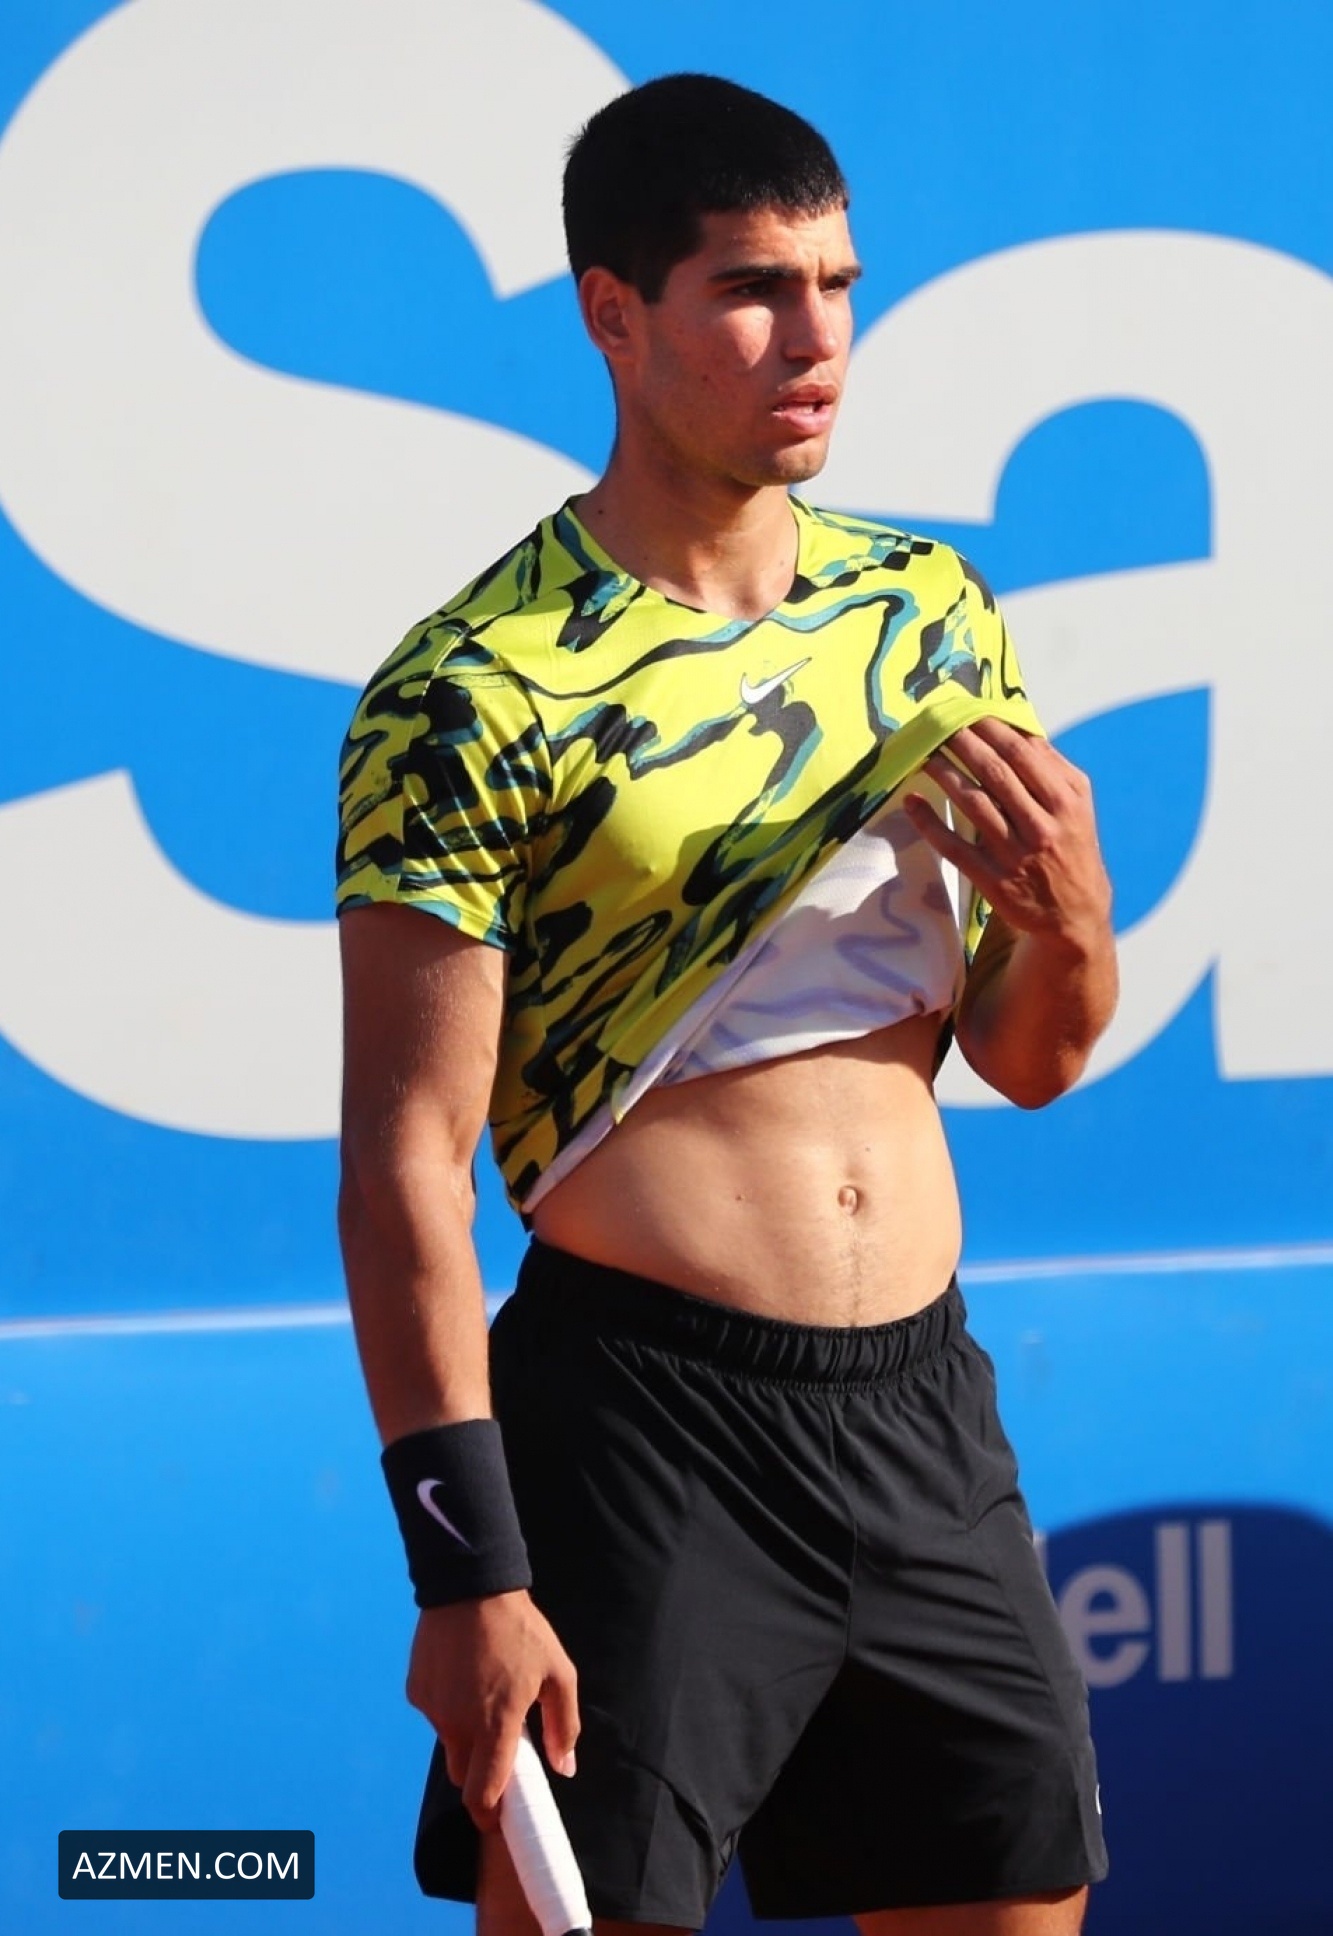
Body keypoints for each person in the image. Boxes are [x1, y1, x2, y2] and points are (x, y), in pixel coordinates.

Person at [336, 72, 1116, 1936]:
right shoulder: (469, 688)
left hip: (925, 1414)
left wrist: (1077, 919)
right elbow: (403, 1165)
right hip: (640, 1435)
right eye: (753, 289)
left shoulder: (930, 612)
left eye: (836, 284)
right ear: (613, 312)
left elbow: (1030, 1060)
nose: (815, 338)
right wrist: (465, 1573)